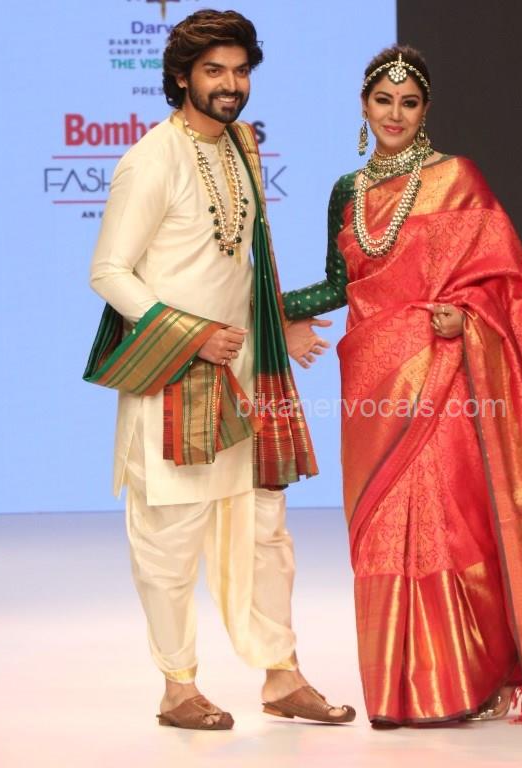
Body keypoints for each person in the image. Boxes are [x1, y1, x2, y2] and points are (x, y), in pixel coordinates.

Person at [283, 45, 522, 727]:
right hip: (372, 383)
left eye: (408, 102)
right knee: (378, 528)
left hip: (444, 376)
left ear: (425, 109)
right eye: (383, 100)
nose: (394, 114)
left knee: (445, 523)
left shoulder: (457, 179)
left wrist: (469, 316)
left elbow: (509, 281)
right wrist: (269, 304)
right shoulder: (346, 190)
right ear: (364, 106)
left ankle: (460, 681)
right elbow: (340, 284)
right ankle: (394, 692)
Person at [84, 10, 351, 731]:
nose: (231, 84)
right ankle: (178, 688)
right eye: (214, 71)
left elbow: (246, 261)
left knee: (265, 533)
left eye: (239, 71)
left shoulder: (243, 144)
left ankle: (281, 675)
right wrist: (192, 336)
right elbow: (107, 271)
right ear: (181, 77)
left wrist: (277, 322)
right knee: (170, 539)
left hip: (248, 374)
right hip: (179, 376)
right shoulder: (151, 159)